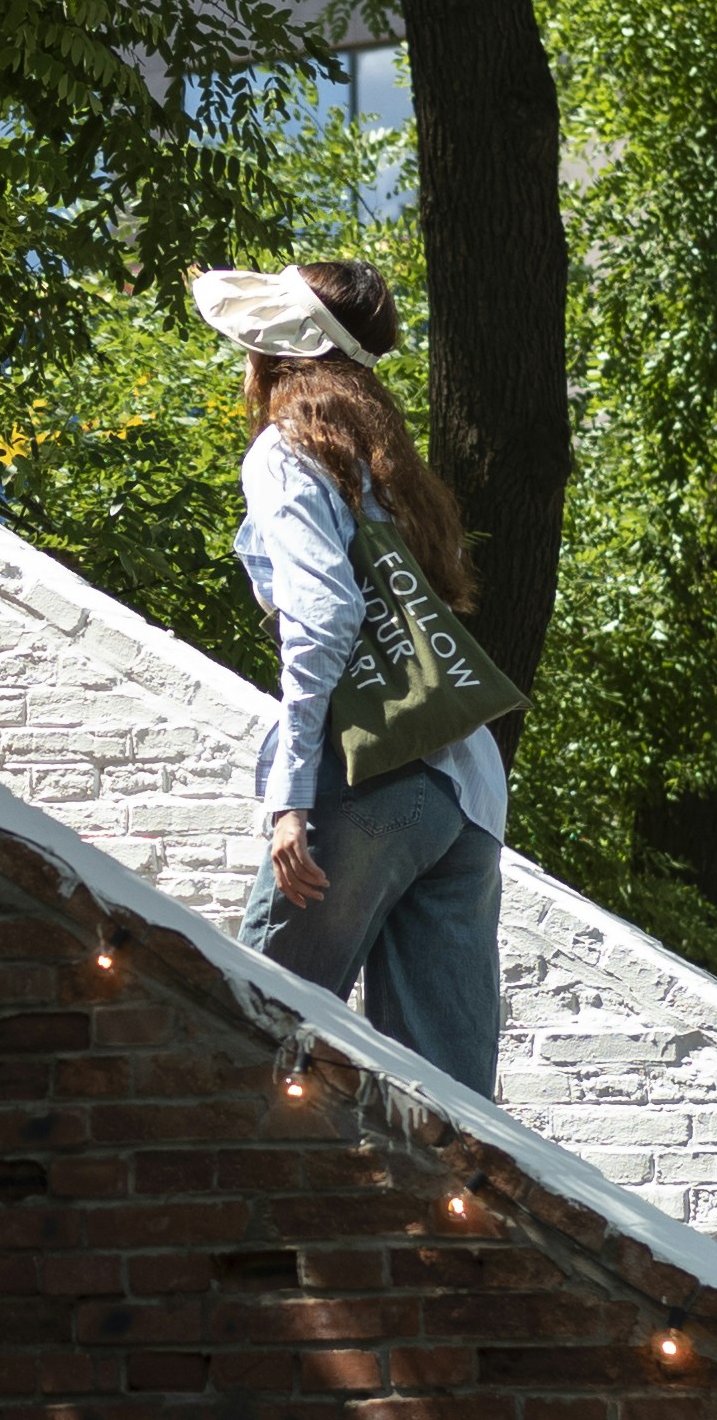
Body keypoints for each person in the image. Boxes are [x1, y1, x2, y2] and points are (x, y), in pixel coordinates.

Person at [194, 256, 504, 1099]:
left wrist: (291, 795)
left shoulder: (287, 454)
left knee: (250, 1038)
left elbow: (323, 618)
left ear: (273, 356)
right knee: (444, 1106)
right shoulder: (388, 466)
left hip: (363, 782)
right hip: (464, 795)